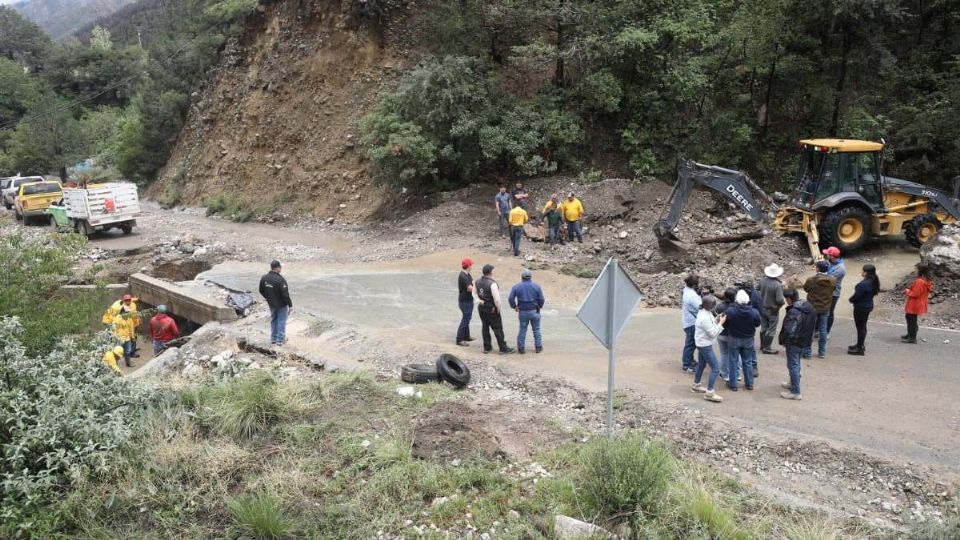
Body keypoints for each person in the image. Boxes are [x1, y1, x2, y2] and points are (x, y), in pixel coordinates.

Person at [778, 289, 815, 400]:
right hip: (804, 340)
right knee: (796, 363)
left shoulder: (794, 312)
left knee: (793, 365)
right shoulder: (808, 307)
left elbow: (790, 329)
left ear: (789, 299)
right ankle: (793, 383)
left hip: (794, 342)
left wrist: (784, 340)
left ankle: (795, 391)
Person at [723, 290, 761, 391]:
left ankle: (733, 384)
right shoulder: (754, 312)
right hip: (748, 339)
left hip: (734, 338)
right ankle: (749, 384)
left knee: (733, 361)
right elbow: (757, 324)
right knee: (747, 361)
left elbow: (724, 323)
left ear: (737, 301)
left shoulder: (731, 311)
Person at [692, 295, 725, 403]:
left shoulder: (704, 312)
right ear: (711, 306)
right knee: (715, 368)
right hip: (705, 345)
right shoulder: (704, 317)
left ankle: (696, 385)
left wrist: (716, 319)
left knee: (701, 365)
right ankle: (710, 393)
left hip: (702, 343)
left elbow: (710, 325)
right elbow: (712, 333)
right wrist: (721, 323)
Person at [475, 264, 515, 354]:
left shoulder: (477, 281)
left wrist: (480, 301)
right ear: (490, 273)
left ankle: (487, 347)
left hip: (481, 308)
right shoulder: (492, 284)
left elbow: (474, 294)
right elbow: (497, 300)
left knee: (485, 327)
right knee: (497, 328)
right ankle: (503, 348)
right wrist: (498, 309)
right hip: (492, 309)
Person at [802, 260, 836, 358]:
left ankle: (808, 353)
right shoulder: (833, 280)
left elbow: (806, 289)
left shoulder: (811, 279)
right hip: (825, 308)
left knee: (810, 330)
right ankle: (822, 352)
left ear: (817, 268)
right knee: (823, 330)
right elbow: (833, 290)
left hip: (812, 308)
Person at [508, 269, 546, 354]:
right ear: (530, 277)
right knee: (536, 329)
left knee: (522, 330)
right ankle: (538, 347)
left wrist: (514, 306)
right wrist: (540, 306)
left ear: (522, 277)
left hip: (522, 311)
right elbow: (542, 299)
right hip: (534, 311)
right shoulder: (537, 286)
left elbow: (510, 298)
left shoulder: (516, 286)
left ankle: (521, 348)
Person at [847, 264, 880, 355]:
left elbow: (857, 296)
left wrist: (851, 300)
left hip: (861, 307)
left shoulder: (863, 284)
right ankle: (859, 344)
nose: (861, 272)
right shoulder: (874, 280)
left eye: (862, 271)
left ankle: (860, 348)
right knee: (863, 326)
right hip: (868, 305)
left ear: (866, 273)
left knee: (860, 327)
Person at [259, 260, 293, 346]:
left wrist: (268, 298)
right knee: (281, 321)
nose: (281, 268)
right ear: (277, 268)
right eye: (280, 267)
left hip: (271, 304)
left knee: (274, 319)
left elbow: (261, 290)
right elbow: (285, 295)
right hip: (281, 305)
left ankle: (273, 339)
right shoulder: (280, 280)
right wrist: (290, 305)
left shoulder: (264, 278)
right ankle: (280, 340)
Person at [758, 263, 786, 360]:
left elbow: (757, 290)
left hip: (762, 308)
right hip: (772, 310)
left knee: (764, 327)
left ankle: (762, 345)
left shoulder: (762, 281)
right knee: (771, 328)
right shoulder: (777, 285)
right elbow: (780, 300)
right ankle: (767, 347)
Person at [102, 293, 140, 359]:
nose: (128, 302)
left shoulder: (132, 305)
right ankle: (122, 353)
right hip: (120, 325)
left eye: (129, 300)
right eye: (126, 300)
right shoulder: (118, 309)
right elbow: (113, 319)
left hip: (131, 324)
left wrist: (137, 322)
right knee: (124, 339)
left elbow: (134, 314)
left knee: (133, 337)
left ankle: (131, 351)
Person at [902, 263, 933, 344]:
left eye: (916, 269)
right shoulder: (926, 279)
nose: (914, 271)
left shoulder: (919, 281)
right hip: (919, 302)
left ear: (920, 271)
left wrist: (907, 291)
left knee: (911, 319)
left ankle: (912, 337)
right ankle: (910, 334)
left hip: (915, 303)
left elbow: (915, 293)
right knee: (911, 318)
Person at [715, 287, 739, 382]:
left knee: (724, 354)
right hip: (733, 334)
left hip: (721, 333)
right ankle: (737, 373)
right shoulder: (736, 307)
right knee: (736, 354)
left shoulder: (719, 306)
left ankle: (724, 374)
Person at [680, 275, 702, 373]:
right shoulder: (692, 296)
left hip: (688, 321)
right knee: (690, 344)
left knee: (690, 343)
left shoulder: (686, 290)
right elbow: (701, 306)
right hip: (692, 323)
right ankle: (687, 364)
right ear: (693, 285)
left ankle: (690, 360)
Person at [823, 246, 847, 335]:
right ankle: (818, 328)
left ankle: (827, 331)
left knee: (829, 312)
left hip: (833, 293)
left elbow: (827, 279)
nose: (826, 255)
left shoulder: (841, 269)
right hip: (825, 290)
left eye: (827, 254)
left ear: (832, 256)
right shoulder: (829, 262)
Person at [456, 259, 476, 347]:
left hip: (467, 300)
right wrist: (479, 290)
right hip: (465, 301)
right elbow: (470, 288)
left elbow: (472, 283)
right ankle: (459, 339)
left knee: (467, 318)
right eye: (471, 265)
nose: (472, 266)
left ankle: (466, 336)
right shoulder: (463, 276)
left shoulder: (467, 274)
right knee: (466, 319)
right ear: (468, 266)